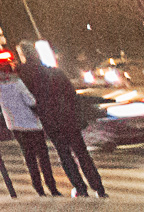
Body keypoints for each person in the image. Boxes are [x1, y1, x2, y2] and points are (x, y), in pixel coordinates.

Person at [22, 49, 103, 198]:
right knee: (82, 152)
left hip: (51, 121)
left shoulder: (28, 79)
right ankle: (98, 187)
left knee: (64, 154)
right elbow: (72, 94)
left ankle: (80, 188)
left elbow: (31, 102)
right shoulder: (56, 73)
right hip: (68, 117)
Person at [0, 65, 55, 195]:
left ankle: (38, 187)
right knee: (43, 156)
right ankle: (51, 186)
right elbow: (30, 100)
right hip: (31, 123)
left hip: (14, 124)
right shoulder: (17, 82)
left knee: (29, 156)